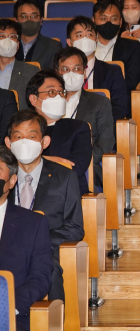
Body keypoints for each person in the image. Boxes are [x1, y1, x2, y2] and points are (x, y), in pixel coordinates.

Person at [6, 110, 84, 303]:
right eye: (18, 137)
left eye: (32, 136)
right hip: (6, 248)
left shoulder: (65, 177)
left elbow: (74, 228)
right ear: (8, 143)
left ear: (44, 142)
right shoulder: (3, 178)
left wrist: (36, 242)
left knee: (52, 271)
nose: (24, 142)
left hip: (47, 250)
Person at [0, 146, 53, 331]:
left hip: (12, 317)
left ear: (12, 180)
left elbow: (40, 278)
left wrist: (6, 306)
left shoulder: (33, 224)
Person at [54, 47, 114, 190]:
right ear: (56, 73)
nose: (71, 74)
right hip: (51, 165)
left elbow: (105, 143)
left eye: (77, 69)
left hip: (86, 167)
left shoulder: (100, 103)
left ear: (84, 72)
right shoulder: (45, 101)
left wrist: (76, 161)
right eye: (65, 69)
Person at [26, 70, 92, 194]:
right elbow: (10, 163)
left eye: (61, 92)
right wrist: (51, 160)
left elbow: (76, 167)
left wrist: (31, 161)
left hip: (65, 193)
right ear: (33, 99)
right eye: (51, 92)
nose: (58, 96)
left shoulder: (77, 128)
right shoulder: (21, 128)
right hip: (28, 191)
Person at [65, 16, 128, 122]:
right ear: (69, 42)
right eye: (79, 35)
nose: (85, 39)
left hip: (100, 129)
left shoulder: (112, 72)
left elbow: (120, 108)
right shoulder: (59, 72)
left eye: (89, 35)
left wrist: (98, 124)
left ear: (96, 39)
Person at [92, 0, 140, 105]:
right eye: (103, 18)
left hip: (118, 102)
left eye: (114, 19)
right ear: (93, 21)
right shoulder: (85, 46)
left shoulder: (132, 47)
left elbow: (131, 81)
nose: (108, 23)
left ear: (120, 22)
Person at [0, 18, 40, 110]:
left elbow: (35, 107)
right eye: (2, 36)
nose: (7, 41)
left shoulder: (32, 72)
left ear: (18, 45)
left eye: (12, 37)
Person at [13, 0, 62, 69]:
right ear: (15, 20)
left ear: (41, 20)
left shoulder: (53, 47)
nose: (29, 20)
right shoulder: (7, 44)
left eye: (34, 16)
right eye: (24, 16)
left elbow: (52, 77)